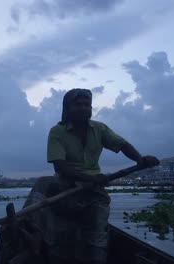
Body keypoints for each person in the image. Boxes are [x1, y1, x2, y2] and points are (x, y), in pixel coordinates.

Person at [24, 88, 159, 264]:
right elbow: (60, 166)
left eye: (87, 104)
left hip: (94, 190)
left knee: (97, 231)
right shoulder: (57, 131)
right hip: (65, 185)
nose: (83, 108)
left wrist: (140, 159)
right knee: (43, 184)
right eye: (77, 104)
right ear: (67, 108)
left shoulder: (99, 128)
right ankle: (33, 234)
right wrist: (91, 178)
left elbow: (122, 145)